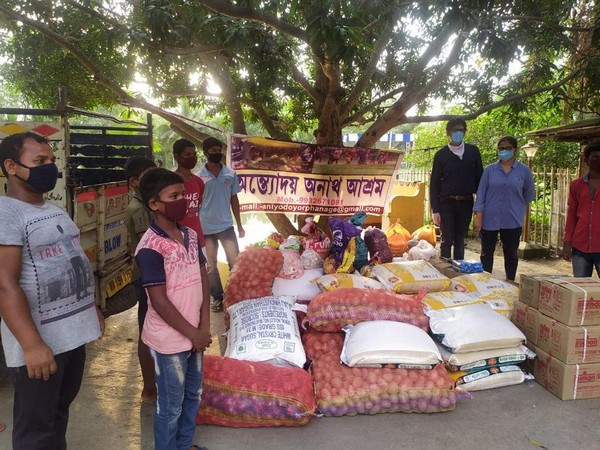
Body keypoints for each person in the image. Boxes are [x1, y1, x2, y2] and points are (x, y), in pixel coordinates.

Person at [0, 132, 104, 449]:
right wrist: (32, 345)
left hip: (71, 338)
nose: (51, 168)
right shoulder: (7, 213)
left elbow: (70, 258)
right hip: (41, 344)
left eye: (52, 161)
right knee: (36, 433)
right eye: (40, 161)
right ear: (11, 167)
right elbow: (5, 283)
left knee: (57, 418)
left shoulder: (51, 208)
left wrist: (91, 309)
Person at [135, 168, 211, 450]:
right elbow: (159, 302)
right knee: (170, 406)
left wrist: (204, 327)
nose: (182, 200)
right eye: (174, 196)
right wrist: (193, 333)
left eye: (183, 194)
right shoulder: (150, 247)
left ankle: (184, 444)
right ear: (154, 203)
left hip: (195, 334)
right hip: (170, 342)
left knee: (193, 394)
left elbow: (203, 277)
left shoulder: (190, 235)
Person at [473, 136, 535, 281]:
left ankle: (510, 281)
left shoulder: (524, 171)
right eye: (501, 148)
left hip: (512, 219)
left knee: (511, 253)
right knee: (486, 252)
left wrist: (516, 206)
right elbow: (481, 193)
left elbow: (528, 195)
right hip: (490, 218)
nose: (504, 151)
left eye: (508, 148)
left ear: (515, 150)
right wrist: (479, 217)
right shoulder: (489, 170)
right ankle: (485, 281)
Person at [197, 137, 245, 313]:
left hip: (226, 226)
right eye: (213, 150)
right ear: (205, 152)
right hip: (206, 228)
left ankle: (235, 295)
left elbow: (234, 200)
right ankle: (217, 298)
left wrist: (239, 225)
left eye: (219, 150)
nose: (217, 153)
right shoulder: (198, 178)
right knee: (211, 266)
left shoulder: (230, 174)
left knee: (235, 262)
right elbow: (195, 205)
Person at [124, 155, 158, 405]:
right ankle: (149, 389)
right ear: (135, 181)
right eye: (149, 177)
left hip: (152, 276)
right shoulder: (138, 210)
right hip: (148, 278)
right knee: (147, 333)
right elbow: (151, 249)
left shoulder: (146, 204)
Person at [430, 117, 484, 260]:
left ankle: (459, 271)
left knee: (460, 239)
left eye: (461, 130)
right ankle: (445, 270)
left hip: (466, 202)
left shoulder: (473, 152)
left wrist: (480, 208)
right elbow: (434, 183)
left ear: (465, 132)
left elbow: (480, 180)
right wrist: (435, 209)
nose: (458, 133)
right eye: (455, 130)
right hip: (446, 202)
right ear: (448, 133)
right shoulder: (441, 155)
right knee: (447, 238)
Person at [562, 142, 600, 277]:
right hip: (580, 246)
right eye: (595, 156)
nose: (598, 160)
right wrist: (567, 241)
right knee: (581, 288)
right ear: (586, 160)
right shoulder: (576, 185)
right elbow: (572, 214)